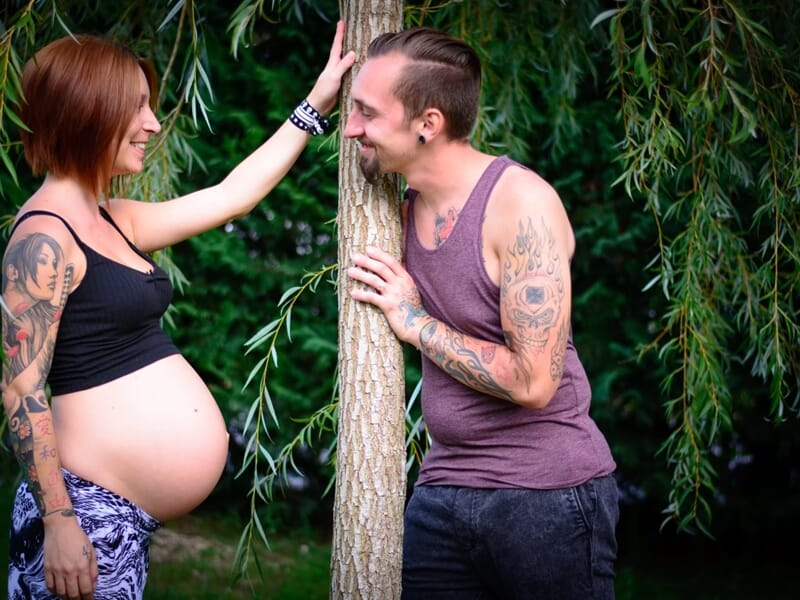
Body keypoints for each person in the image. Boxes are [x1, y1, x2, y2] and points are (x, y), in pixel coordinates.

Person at [2, 22, 354, 600]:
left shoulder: (115, 218)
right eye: (136, 108)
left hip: (115, 525)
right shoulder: (43, 239)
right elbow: (20, 390)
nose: (152, 124)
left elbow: (231, 195)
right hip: (79, 517)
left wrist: (314, 105)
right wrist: (58, 520)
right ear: (88, 112)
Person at [344, 27, 619, 599]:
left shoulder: (521, 206)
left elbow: (533, 381)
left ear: (428, 123)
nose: (351, 129)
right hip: (442, 492)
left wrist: (414, 321)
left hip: (546, 495)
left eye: (367, 113)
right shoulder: (397, 210)